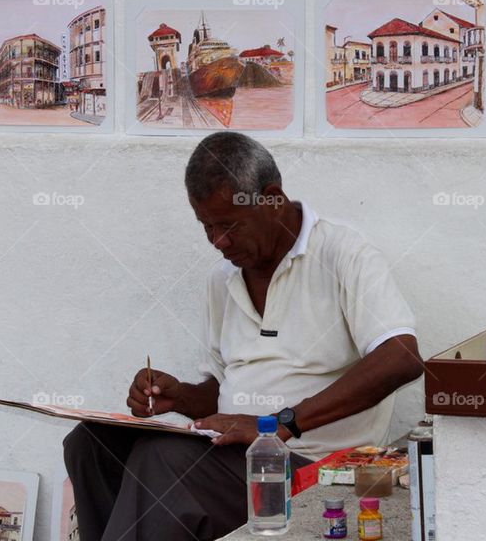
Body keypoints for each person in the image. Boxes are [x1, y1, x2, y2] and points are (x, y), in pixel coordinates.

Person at [63, 131, 423, 541]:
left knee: (162, 460)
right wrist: (179, 396)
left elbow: (401, 357)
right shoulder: (223, 280)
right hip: (236, 457)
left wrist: (280, 424)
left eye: (229, 225)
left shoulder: (342, 254)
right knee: (91, 444)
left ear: (271, 198)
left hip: (311, 462)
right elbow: (223, 391)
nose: (219, 242)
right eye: (207, 227)